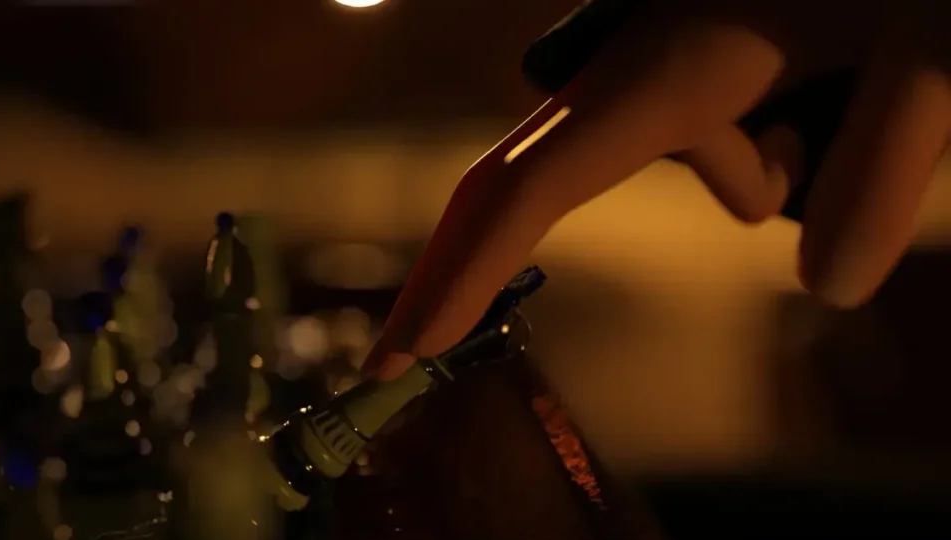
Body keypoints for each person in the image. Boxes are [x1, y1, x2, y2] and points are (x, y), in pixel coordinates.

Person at [362, 0, 951, 382]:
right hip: (746, 38)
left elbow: (840, 272)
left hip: (785, 62)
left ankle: (389, 369)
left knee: (765, 202)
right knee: (534, 179)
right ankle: (386, 372)